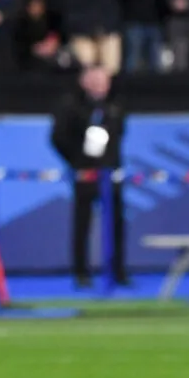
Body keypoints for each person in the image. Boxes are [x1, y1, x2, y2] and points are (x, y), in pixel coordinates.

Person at [49, 66, 127, 287]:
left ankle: (118, 271)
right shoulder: (71, 105)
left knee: (117, 223)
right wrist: (77, 162)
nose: (100, 86)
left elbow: (119, 134)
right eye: (95, 81)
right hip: (85, 172)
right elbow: (58, 137)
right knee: (82, 223)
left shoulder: (115, 105)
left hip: (111, 172)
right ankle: (81, 272)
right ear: (84, 82)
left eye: (104, 81)